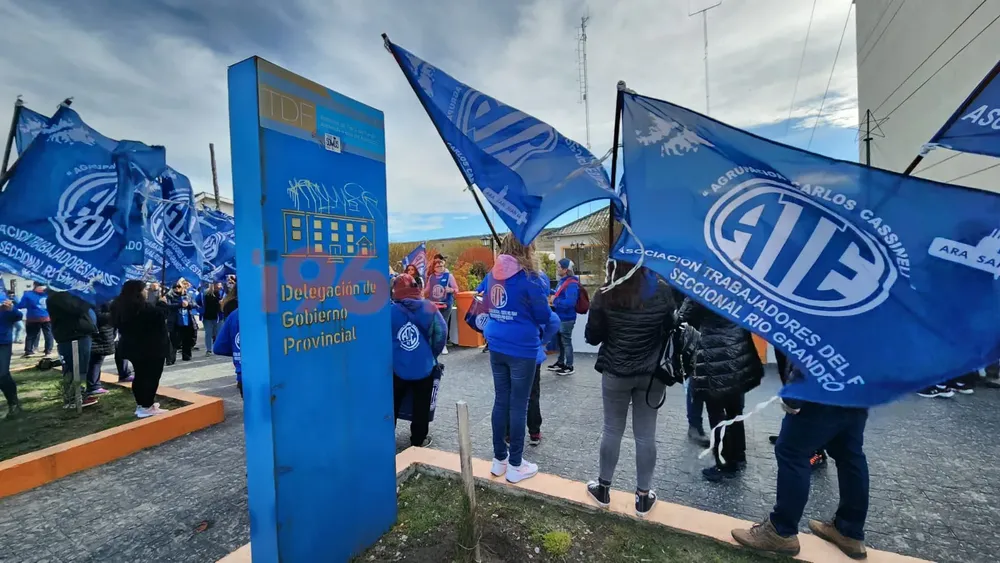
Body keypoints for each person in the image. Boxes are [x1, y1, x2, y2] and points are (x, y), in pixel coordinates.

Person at [732, 366, 870, 559]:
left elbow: (815, 348)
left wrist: (794, 393)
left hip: (821, 389)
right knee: (850, 456)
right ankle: (849, 530)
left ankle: (780, 531)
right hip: (859, 388)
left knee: (792, 452)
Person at [584, 264, 676, 516]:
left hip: (615, 371)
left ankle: (602, 490)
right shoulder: (663, 292)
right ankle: (643, 498)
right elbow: (672, 326)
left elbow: (592, 336)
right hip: (651, 374)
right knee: (646, 435)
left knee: (612, 430)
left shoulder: (605, 293)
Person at [483, 234, 558, 484]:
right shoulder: (531, 279)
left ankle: (499, 459)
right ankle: (516, 464)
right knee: (518, 405)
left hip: (496, 345)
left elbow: (485, 306)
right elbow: (544, 315)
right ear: (528, 249)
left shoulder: (492, 275)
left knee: (500, 401)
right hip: (522, 349)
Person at [679, 298, 763, 482]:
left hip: (714, 354)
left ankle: (724, 463)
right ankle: (739, 456)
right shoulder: (738, 283)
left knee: (716, 413)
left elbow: (683, 317)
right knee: (735, 410)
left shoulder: (702, 287)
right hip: (738, 349)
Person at [391, 274, 446, 448]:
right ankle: (418, 440)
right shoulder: (429, 307)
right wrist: (432, 354)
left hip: (397, 367)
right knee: (421, 404)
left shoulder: (388, 311)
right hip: (424, 366)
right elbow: (441, 333)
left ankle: (386, 437)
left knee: (392, 403)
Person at [112, 280, 171, 418]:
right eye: (144, 289)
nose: (146, 292)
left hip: (133, 348)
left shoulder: (120, 305)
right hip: (150, 348)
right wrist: (162, 303)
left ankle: (142, 404)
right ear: (137, 292)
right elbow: (159, 316)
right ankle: (146, 406)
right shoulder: (140, 308)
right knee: (151, 377)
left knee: (140, 376)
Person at [47, 289, 99, 409]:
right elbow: (76, 309)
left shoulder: (66, 294)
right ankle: (73, 398)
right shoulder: (58, 296)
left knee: (80, 368)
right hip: (71, 336)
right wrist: (88, 297)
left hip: (78, 334)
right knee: (75, 368)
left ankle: (78, 394)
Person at [549, 258, 580, 376]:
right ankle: (561, 362)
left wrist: (555, 301)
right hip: (561, 316)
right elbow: (558, 294)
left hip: (567, 318)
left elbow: (570, 302)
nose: (557, 269)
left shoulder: (571, 284)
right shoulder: (564, 281)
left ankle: (569, 365)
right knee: (561, 342)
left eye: (558, 267)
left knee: (566, 342)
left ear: (565, 269)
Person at [423, 258, 459, 355]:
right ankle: (433, 343)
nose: (440, 268)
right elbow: (427, 289)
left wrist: (450, 290)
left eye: (442, 266)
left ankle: (443, 345)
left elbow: (456, 289)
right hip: (434, 304)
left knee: (443, 323)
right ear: (434, 268)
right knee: (433, 324)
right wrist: (420, 294)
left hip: (446, 303)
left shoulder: (449, 276)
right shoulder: (431, 277)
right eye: (438, 266)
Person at [0, 295, 24, 419]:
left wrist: (11, 309)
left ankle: (14, 403)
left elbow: (18, 316)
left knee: (2, 374)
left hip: (2, 342)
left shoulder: (2, 297)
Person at [84, 303, 116, 397]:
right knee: (96, 359)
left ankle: (94, 384)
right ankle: (93, 386)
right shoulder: (96, 301)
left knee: (97, 359)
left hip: (103, 332)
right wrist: (114, 314)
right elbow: (98, 316)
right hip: (99, 333)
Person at [213, 307, 242, 398]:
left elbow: (218, 347)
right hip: (273, 374)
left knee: (252, 410)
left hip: (243, 374)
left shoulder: (235, 314)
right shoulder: (272, 311)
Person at [19, 282, 53, 358]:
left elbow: (21, 305)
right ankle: (48, 351)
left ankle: (29, 351)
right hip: (46, 317)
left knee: (31, 335)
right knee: (48, 334)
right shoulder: (49, 293)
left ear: (34, 285)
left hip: (32, 318)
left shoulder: (28, 294)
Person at [166, 282, 196, 362]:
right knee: (173, 341)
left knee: (187, 340)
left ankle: (186, 356)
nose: (177, 288)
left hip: (187, 321)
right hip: (175, 322)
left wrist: (188, 304)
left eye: (179, 286)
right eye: (175, 287)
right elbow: (168, 306)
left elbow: (194, 304)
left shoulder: (188, 295)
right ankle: (170, 359)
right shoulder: (169, 296)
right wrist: (180, 304)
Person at [200, 284, 222, 356]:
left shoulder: (221, 293)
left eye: (218, 285)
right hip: (207, 317)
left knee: (218, 333)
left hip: (218, 317)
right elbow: (197, 301)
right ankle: (209, 350)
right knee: (208, 333)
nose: (217, 287)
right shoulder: (204, 293)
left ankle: (217, 348)